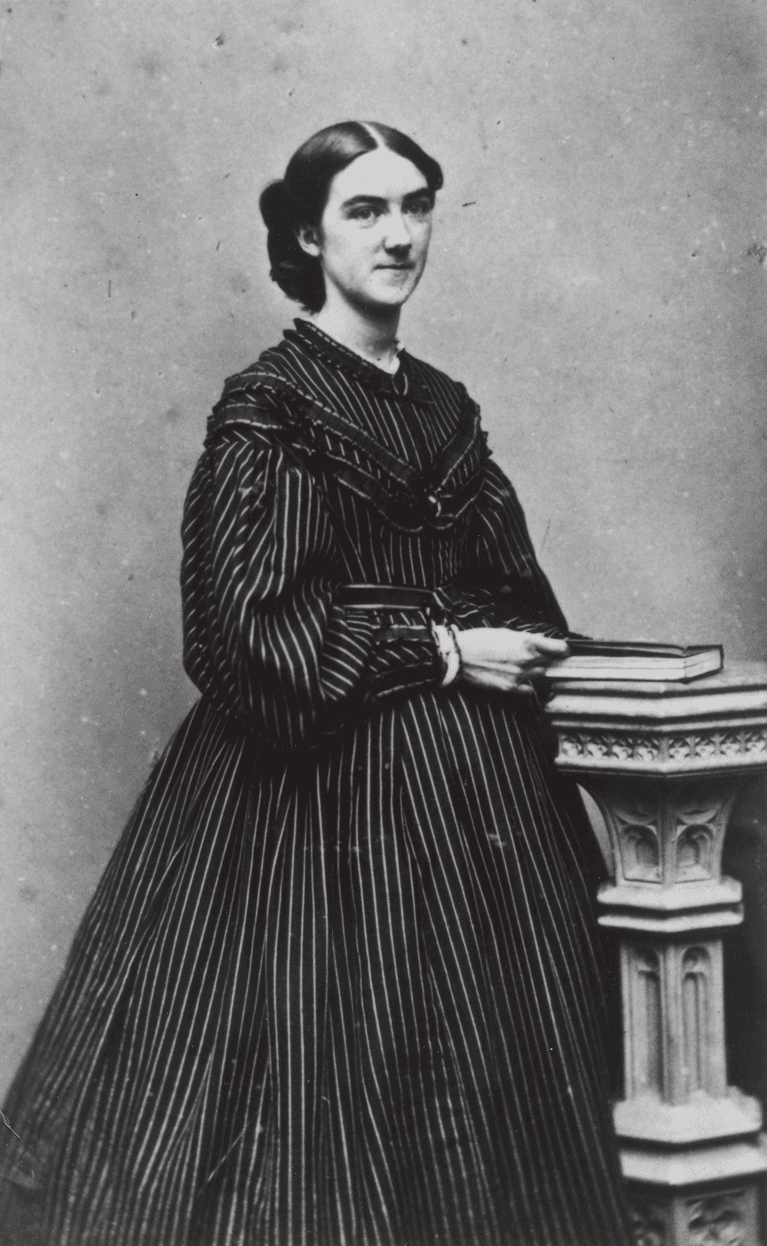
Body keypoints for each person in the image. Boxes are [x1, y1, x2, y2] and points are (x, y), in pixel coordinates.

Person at [0, 120, 632, 1246]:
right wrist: (440, 649)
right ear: (306, 233)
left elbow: (516, 600)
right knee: (310, 1087)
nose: (398, 235)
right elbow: (247, 635)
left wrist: (486, 643)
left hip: (476, 799)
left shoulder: (444, 409)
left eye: (415, 206)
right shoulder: (274, 405)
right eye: (364, 210)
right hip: (309, 797)